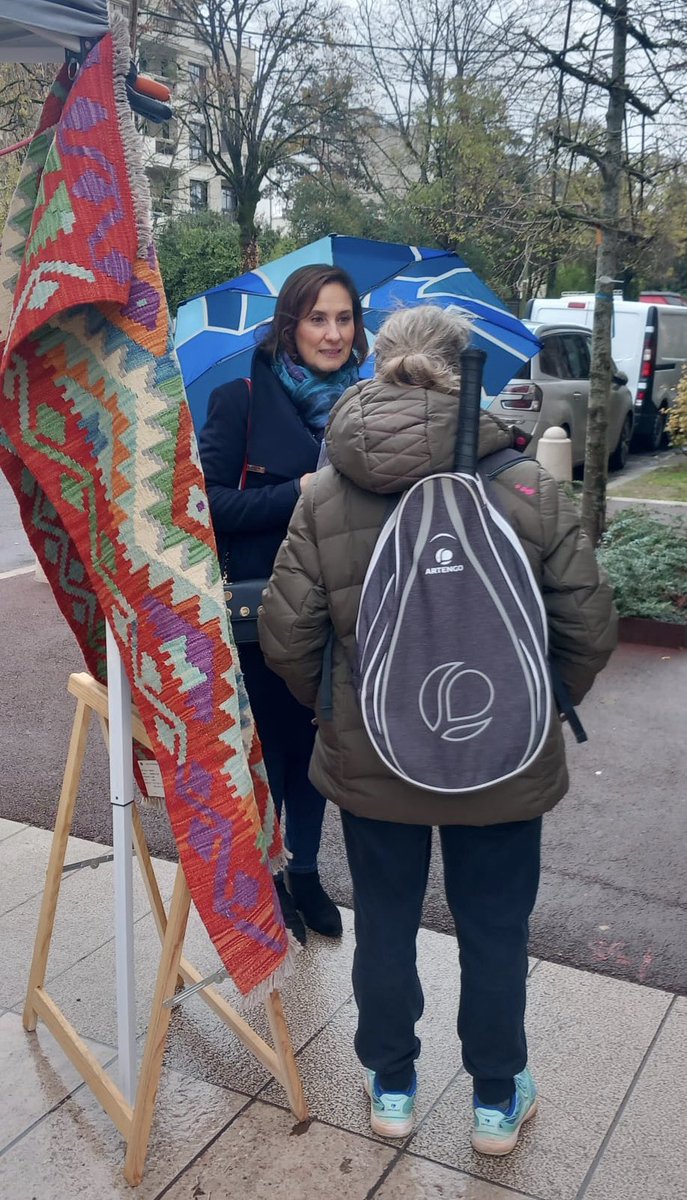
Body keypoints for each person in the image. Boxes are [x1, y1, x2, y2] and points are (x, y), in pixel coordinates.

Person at [257, 305, 617, 1153]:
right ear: (463, 374)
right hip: (503, 756)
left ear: (377, 364)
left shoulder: (324, 493)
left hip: (372, 759)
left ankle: (391, 1086)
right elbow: (589, 627)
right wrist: (528, 707)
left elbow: (285, 636)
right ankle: (494, 1100)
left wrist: (344, 711)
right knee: (494, 928)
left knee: (383, 923)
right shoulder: (525, 486)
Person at [199, 263, 369, 945]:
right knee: (270, 751)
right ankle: (267, 872)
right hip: (266, 613)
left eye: (344, 318)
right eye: (317, 318)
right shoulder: (239, 398)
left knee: (319, 750)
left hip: (342, 609)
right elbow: (208, 506)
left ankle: (305, 871)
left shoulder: (365, 405)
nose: (332, 334)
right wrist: (297, 490)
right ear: (290, 325)